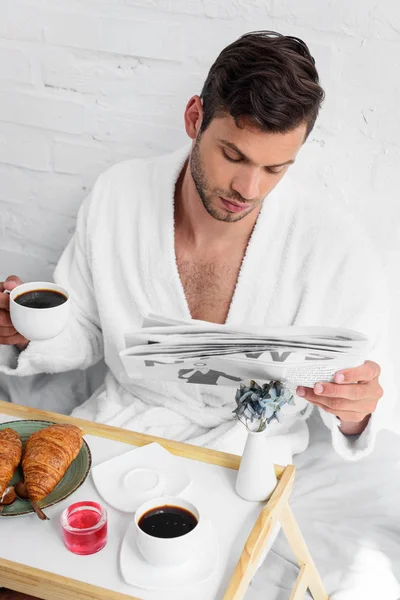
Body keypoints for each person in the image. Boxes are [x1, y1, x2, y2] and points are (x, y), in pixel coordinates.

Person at [0, 31, 395, 462]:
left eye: (275, 168)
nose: (249, 188)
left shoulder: (333, 247)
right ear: (194, 118)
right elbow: (87, 330)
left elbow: (360, 392)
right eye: (233, 155)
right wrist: (27, 334)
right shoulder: (119, 196)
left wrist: (354, 411)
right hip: (123, 428)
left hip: (250, 451)